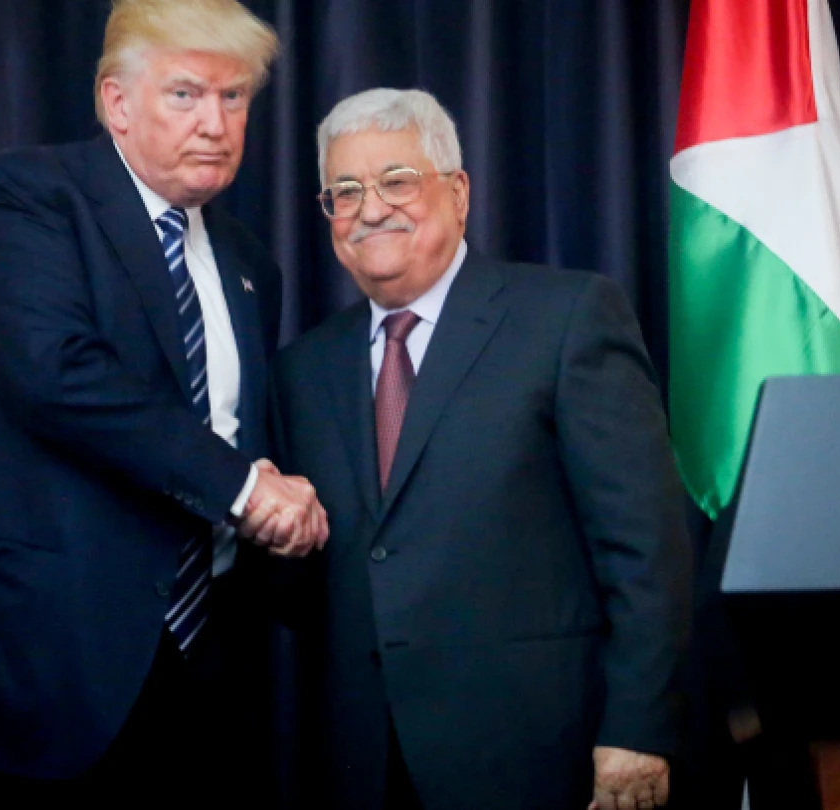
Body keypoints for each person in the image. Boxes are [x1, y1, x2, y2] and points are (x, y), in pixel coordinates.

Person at [0, 1, 326, 806]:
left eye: (234, 99)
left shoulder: (251, 264)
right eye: (186, 95)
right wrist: (248, 488)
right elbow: (58, 376)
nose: (216, 123)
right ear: (116, 103)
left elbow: (231, 433)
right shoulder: (23, 200)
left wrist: (280, 508)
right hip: (23, 675)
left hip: (193, 679)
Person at [267, 88, 692, 810]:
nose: (371, 209)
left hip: (539, 755)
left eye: (397, 181)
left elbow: (646, 547)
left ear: (457, 192)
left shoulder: (567, 319)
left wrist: (639, 725)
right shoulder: (302, 369)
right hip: (362, 764)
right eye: (345, 191)